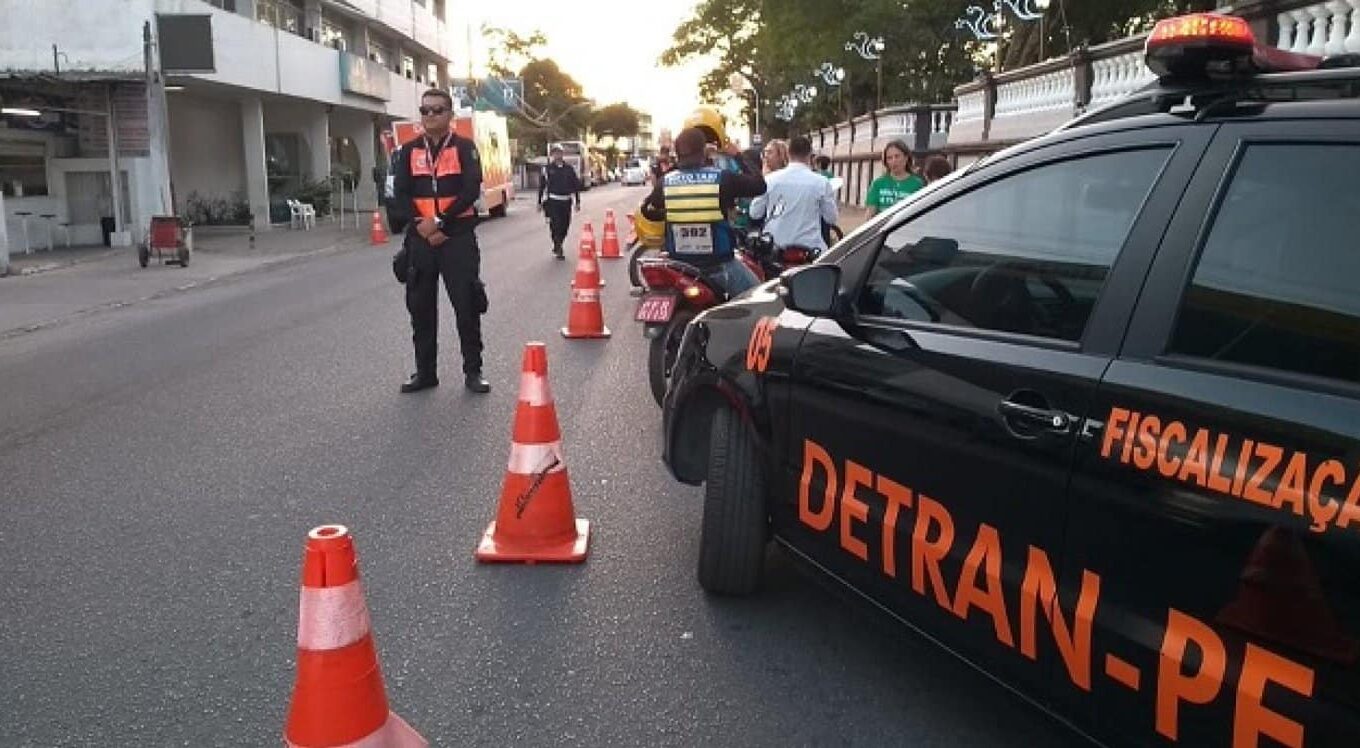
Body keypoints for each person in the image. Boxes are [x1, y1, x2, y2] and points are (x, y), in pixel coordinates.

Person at [389, 89, 491, 394]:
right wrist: (420, 224)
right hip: (420, 239)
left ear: (450, 115)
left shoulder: (464, 147)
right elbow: (400, 193)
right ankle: (425, 372)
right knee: (420, 308)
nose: (430, 116)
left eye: (437, 110)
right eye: (425, 110)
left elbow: (471, 189)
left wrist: (442, 222)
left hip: (456, 236)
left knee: (466, 306)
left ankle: (473, 371)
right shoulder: (407, 151)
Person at [640, 126, 766, 297]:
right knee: (760, 298)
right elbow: (759, 185)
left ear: (677, 153)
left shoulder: (665, 182)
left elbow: (649, 209)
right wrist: (738, 155)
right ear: (704, 151)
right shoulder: (723, 178)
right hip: (720, 266)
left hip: (680, 266)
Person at [749, 136, 838, 253]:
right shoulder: (821, 183)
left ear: (789, 153)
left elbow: (754, 213)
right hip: (810, 249)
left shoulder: (769, 180)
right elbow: (831, 218)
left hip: (775, 247)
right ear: (809, 155)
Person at [537, 145, 581, 259]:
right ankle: (558, 245)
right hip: (553, 201)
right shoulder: (547, 169)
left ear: (562, 154)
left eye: (559, 153)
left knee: (565, 225)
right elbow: (542, 186)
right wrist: (539, 202)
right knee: (555, 225)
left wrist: (577, 201)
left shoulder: (569, 169)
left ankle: (559, 242)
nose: (558, 155)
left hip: (566, 201)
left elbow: (575, 185)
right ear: (552, 155)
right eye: (555, 153)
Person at [865, 139, 926, 218]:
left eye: (897, 156)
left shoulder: (917, 184)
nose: (894, 161)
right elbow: (870, 214)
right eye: (889, 158)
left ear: (906, 158)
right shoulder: (878, 184)